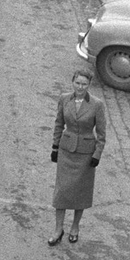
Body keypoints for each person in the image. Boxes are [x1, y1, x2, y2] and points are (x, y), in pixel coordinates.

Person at [48, 69, 106, 245]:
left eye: (84, 84)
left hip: (86, 155)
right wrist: (55, 147)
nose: (80, 87)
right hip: (66, 150)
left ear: (89, 85)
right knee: (62, 191)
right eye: (77, 83)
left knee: (81, 192)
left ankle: (75, 226)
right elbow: (59, 123)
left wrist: (97, 154)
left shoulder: (97, 104)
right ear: (72, 82)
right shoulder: (64, 98)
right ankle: (58, 229)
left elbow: (102, 134)